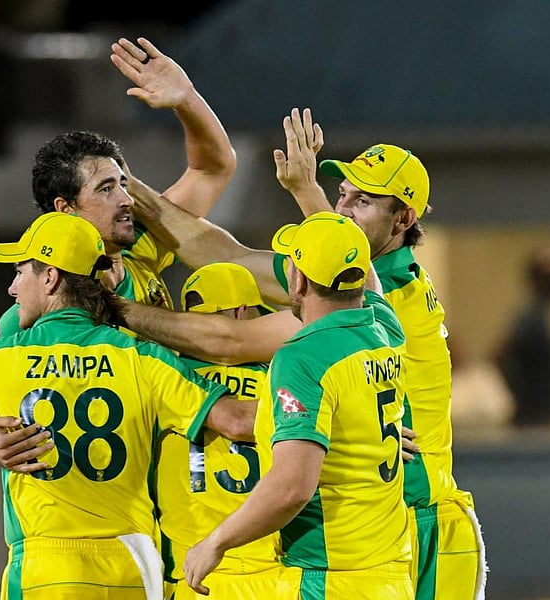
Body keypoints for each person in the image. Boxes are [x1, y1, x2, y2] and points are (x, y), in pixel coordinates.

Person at [122, 108, 487, 599]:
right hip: (385, 532)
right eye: (343, 195)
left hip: (421, 525)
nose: (345, 209)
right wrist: (132, 189)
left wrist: (112, 310)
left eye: (364, 201)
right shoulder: (368, 298)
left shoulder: (378, 299)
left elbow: (229, 341)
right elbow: (225, 255)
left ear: (403, 219)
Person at [0, 212, 256, 600]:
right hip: (136, 565)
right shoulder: (144, 358)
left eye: (20, 272)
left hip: (49, 566)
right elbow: (236, 421)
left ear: (50, 277)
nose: (13, 288)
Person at [0, 36, 237, 469]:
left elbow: (214, 168)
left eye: (123, 183)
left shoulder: (142, 247)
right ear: (66, 210)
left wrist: (187, 101)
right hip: (111, 503)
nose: (126, 198)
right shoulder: (33, 315)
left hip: (179, 495)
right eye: (106, 189)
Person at [183, 212, 413, 598]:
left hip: (331, 577)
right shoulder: (385, 330)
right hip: (389, 574)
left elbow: (292, 487)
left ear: (299, 279)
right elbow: (370, 282)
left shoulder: (302, 359)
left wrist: (216, 542)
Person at [158, 263, 281, 598]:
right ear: (242, 313)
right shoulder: (281, 378)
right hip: (271, 573)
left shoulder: (164, 376)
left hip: (192, 574)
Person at [495, 245, 550, 426]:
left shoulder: (542, 316)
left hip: (544, 416)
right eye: (549, 279)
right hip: (533, 419)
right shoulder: (531, 319)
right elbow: (501, 354)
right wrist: (524, 399)